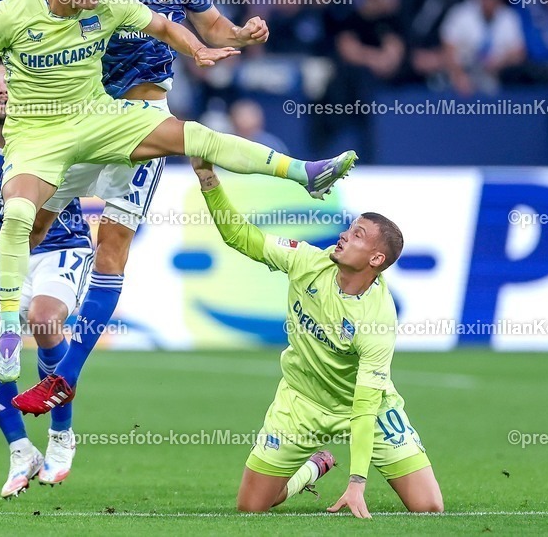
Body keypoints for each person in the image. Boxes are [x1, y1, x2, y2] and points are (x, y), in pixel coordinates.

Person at [0, 0, 357, 400]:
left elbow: (167, 28)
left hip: (96, 118)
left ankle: (304, 173)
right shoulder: (11, 15)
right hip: (38, 135)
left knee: (195, 136)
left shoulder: (108, 3)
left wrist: (199, 51)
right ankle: (7, 332)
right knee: (21, 217)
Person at [189, 157, 443, 517]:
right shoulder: (307, 261)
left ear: (375, 258)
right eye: (350, 228)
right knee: (252, 506)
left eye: (358, 235)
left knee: (429, 507)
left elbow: (366, 405)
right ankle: (314, 466)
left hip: (362, 404)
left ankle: (329, 464)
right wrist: (208, 180)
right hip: (301, 401)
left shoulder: (377, 320)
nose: (344, 235)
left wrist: (357, 483)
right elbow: (240, 237)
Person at [0, 59, 93, 496]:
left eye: (10, 83)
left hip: (63, 245)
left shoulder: (48, 136)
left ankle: (61, 435)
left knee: (46, 321)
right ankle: (21, 450)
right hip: (8, 255)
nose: (2, 91)